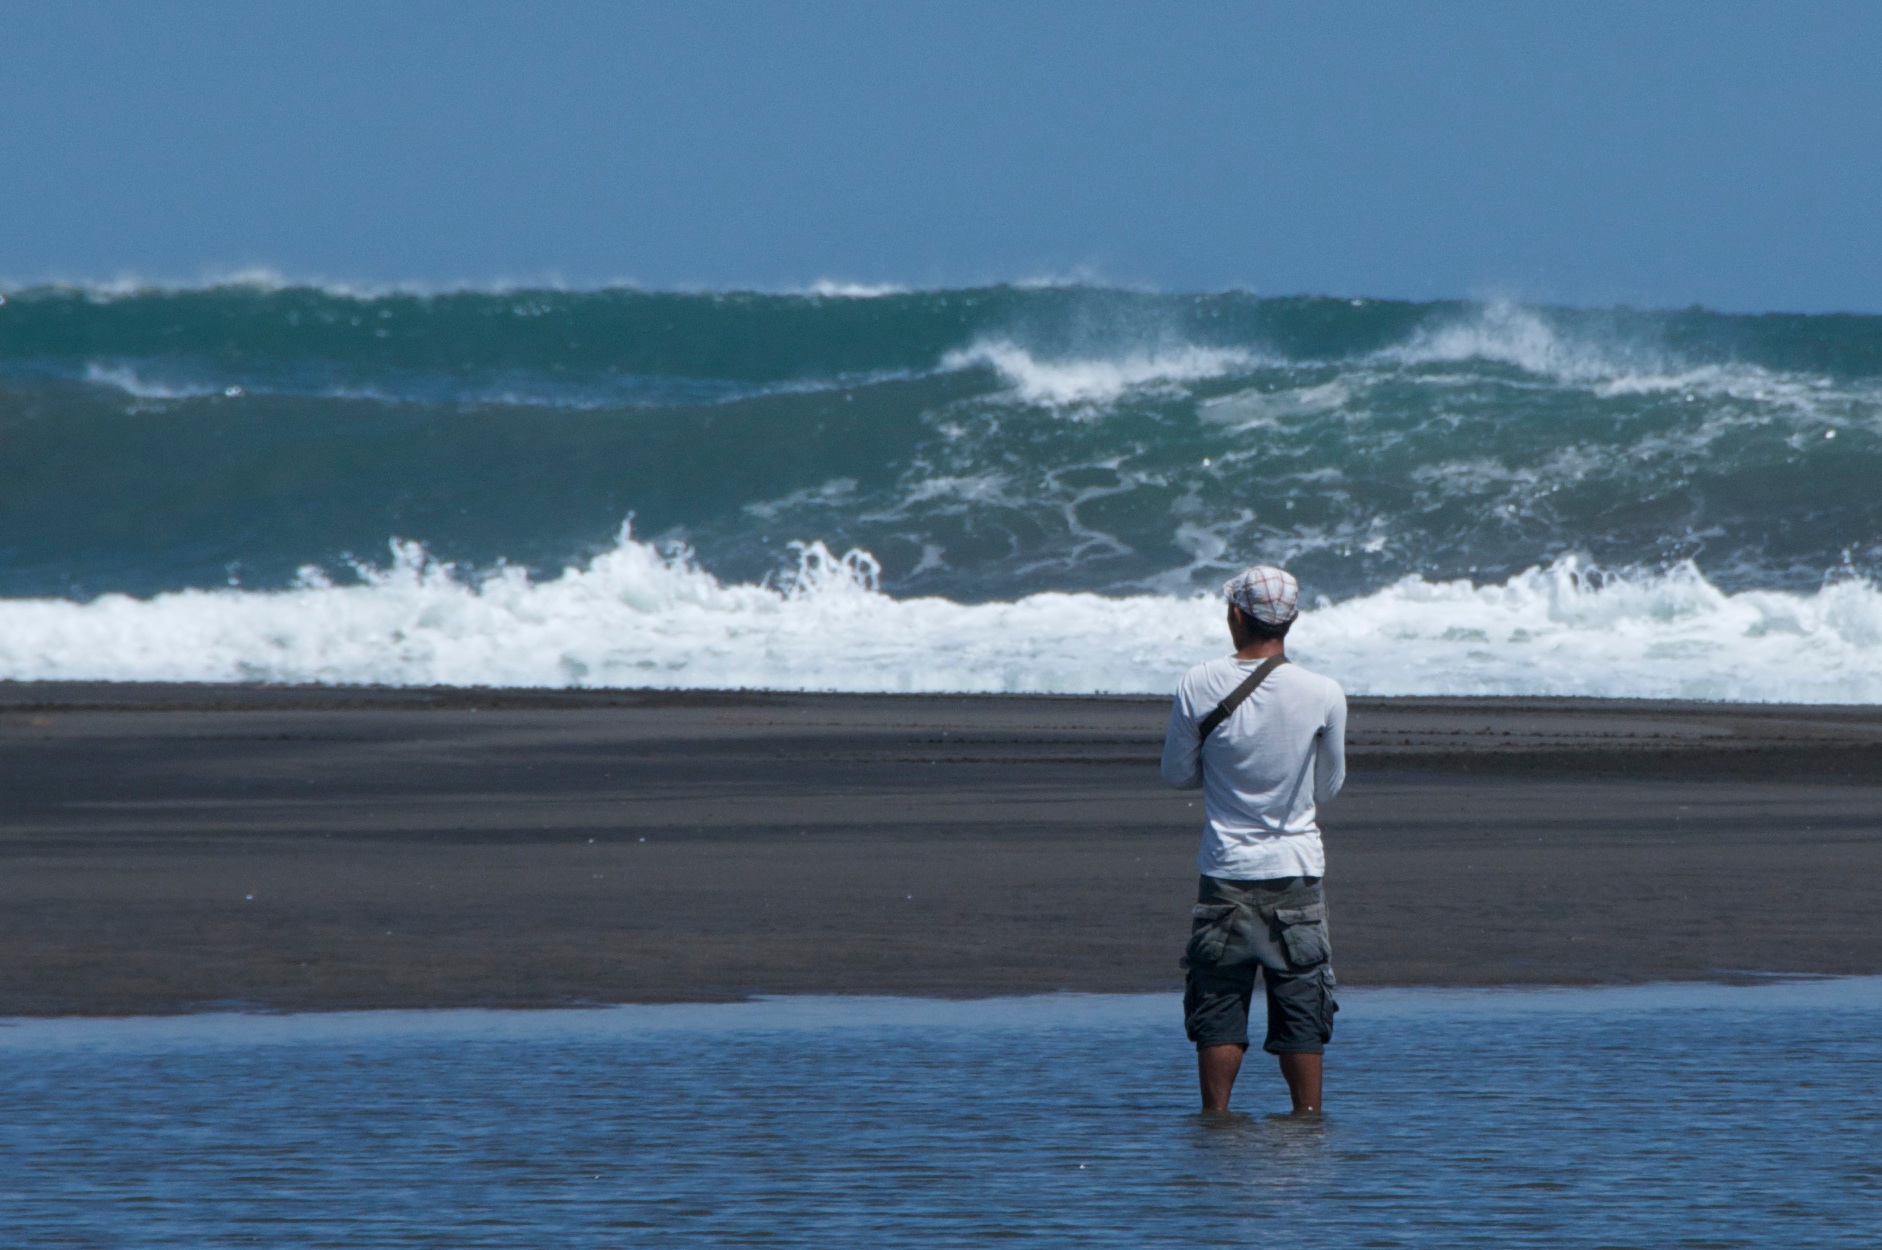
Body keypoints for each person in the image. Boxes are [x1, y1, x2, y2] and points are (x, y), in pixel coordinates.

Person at [1160, 565, 1347, 1115]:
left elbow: (1176, 773)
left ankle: (1215, 1122)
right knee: (1302, 1011)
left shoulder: (1198, 682)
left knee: (1218, 1006)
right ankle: (1307, 1123)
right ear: (1291, 620)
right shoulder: (1324, 692)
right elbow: (1328, 787)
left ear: (1237, 615)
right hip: (1296, 869)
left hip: (1225, 870)